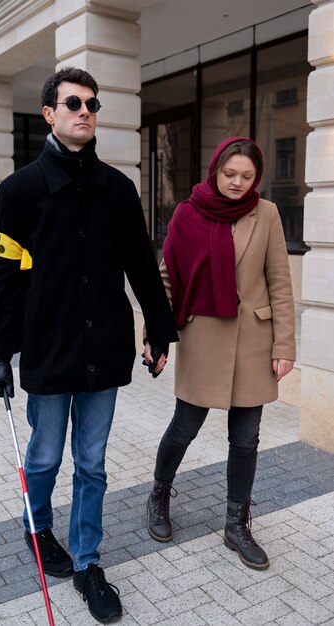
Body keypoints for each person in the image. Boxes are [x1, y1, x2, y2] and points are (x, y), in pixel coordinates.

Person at [0, 66, 178, 624]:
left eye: (93, 103)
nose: (85, 110)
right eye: (73, 102)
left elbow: (142, 265)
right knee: (44, 456)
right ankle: (37, 528)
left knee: (91, 464)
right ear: (49, 113)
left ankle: (89, 562)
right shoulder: (18, 191)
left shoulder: (117, 189)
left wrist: (159, 328)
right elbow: (5, 276)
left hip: (104, 353)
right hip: (47, 350)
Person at [144, 136, 296, 571]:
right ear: (216, 170)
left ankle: (237, 523)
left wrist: (284, 344)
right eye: (230, 174)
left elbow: (280, 283)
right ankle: (158, 495)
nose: (237, 183)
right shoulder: (188, 213)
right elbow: (168, 279)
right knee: (183, 428)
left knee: (246, 440)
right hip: (203, 338)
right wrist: (156, 336)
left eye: (247, 177)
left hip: (254, 342)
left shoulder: (266, 214)